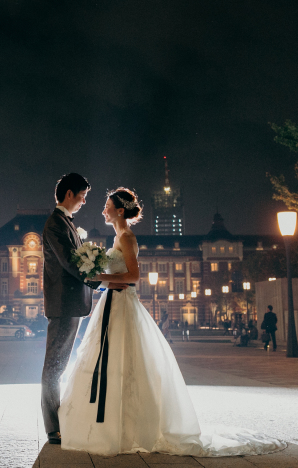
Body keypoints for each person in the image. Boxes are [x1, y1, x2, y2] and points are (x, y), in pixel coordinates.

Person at [58, 187, 284, 457]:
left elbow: (133, 277)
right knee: (113, 361)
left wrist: (97, 279)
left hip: (121, 304)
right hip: (112, 303)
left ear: (120, 210)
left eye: (107, 206)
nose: (103, 210)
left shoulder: (127, 237)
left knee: (125, 361)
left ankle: (128, 425)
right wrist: (98, 278)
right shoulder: (118, 237)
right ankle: (113, 424)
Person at [40, 173, 126, 446]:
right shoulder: (56, 224)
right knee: (55, 365)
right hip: (64, 304)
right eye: (82, 196)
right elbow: (68, 262)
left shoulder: (65, 223)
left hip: (70, 302)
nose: (83, 202)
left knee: (60, 363)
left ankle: (58, 422)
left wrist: (97, 284)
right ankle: (53, 427)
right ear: (69, 195)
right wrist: (99, 280)